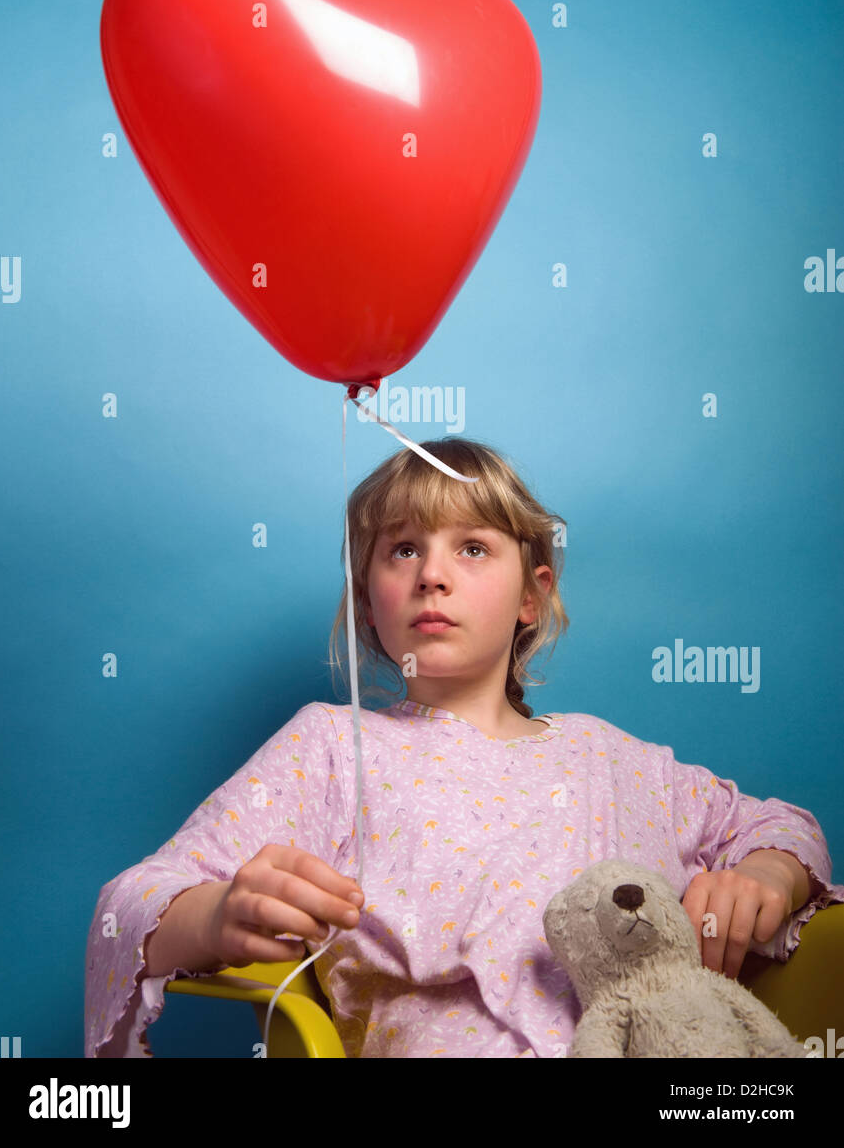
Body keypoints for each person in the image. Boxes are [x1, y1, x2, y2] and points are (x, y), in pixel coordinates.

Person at [84, 438, 844, 1058]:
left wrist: (764, 877)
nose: (433, 576)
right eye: (402, 551)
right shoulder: (330, 748)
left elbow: (781, 827)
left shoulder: (613, 759)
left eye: (472, 549)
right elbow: (129, 905)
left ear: (530, 597)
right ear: (368, 602)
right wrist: (217, 915)